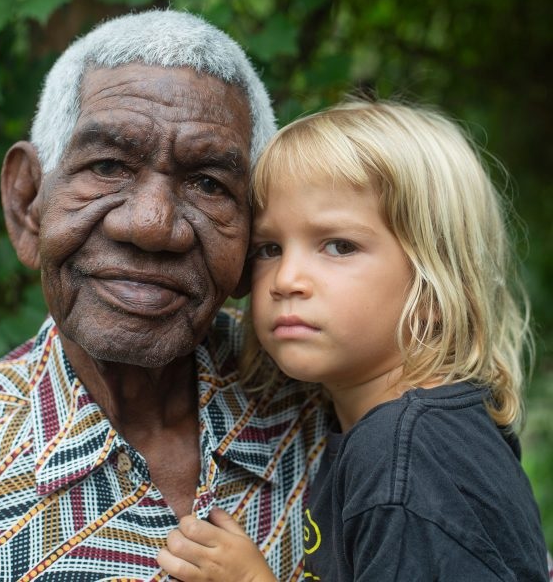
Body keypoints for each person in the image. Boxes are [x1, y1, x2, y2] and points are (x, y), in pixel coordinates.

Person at [0, 10, 327, 580]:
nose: (153, 225)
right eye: (106, 166)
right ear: (28, 203)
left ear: (254, 234)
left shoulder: (328, 401)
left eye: (208, 183)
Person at [157, 98, 550, 581]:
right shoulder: (422, 432)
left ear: (435, 284)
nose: (286, 279)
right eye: (269, 249)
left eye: (339, 246)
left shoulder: (407, 455)